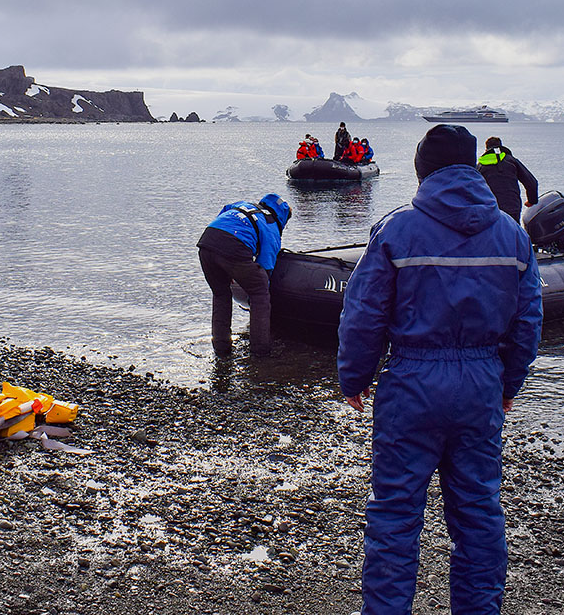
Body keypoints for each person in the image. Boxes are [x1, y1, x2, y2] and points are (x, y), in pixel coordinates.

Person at [337, 124, 542, 615]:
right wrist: (509, 382)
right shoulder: (511, 234)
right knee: (478, 512)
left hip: (412, 383)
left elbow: (364, 311)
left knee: (395, 514)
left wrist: (354, 377)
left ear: (422, 168)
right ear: (471, 167)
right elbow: (528, 317)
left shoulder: (397, 228)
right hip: (480, 385)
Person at [196, 194, 292, 354]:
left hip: (207, 242)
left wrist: (230, 268)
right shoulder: (271, 225)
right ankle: (260, 352)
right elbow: (266, 266)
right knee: (260, 294)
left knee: (220, 295)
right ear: (282, 216)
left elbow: (224, 212)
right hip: (234, 247)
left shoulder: (243, 205)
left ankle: (221, 348)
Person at [477, 136, 538, 222]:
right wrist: (532, 201)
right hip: (512, 207)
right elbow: (531, 182)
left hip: (490, 209)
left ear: (486, 149)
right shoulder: (511, 161)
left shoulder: (480, 166)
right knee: (513, 233)